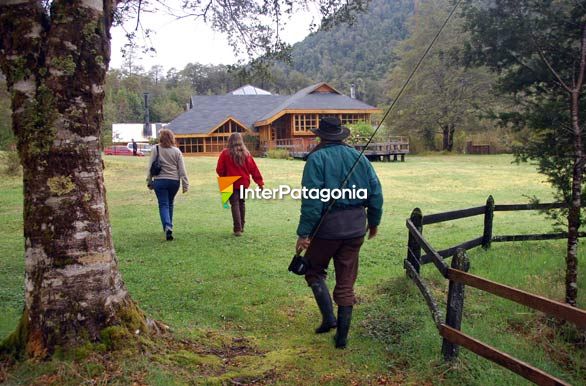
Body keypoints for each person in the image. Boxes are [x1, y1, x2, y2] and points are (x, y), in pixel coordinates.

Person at [295, 116, 383, 349]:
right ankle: (341, 337)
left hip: (326, 230)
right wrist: (373, 223)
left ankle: (329, 319)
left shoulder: (316, 159)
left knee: (313, 271)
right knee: (346, 282)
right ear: (341, 135)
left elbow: (312, 201)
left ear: (321, 136)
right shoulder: (359, 157)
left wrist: (304, 234)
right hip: (355, 230)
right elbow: (376, 193)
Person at [216, 132, 264, 236]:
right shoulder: (246, 154)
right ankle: (241, 227)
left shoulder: (225, 153)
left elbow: (219, 169)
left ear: (230, 141)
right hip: (244, 182)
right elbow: (254, 169)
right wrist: (260, 183)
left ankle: (237, 229)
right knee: (241, 203)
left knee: (235, 204)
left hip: (230, 182)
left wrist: (224, 176)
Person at [146, 129, 189, 241]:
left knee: (163, 204)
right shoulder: (177, 151)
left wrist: (149, 181)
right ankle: (168, 226)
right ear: (172, 138)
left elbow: (150, 167)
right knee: (170, 203)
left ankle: (167, 226)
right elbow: (182, 170)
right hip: (174, 182)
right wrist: (185, 184)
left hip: (160, 181)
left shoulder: (155, 149)